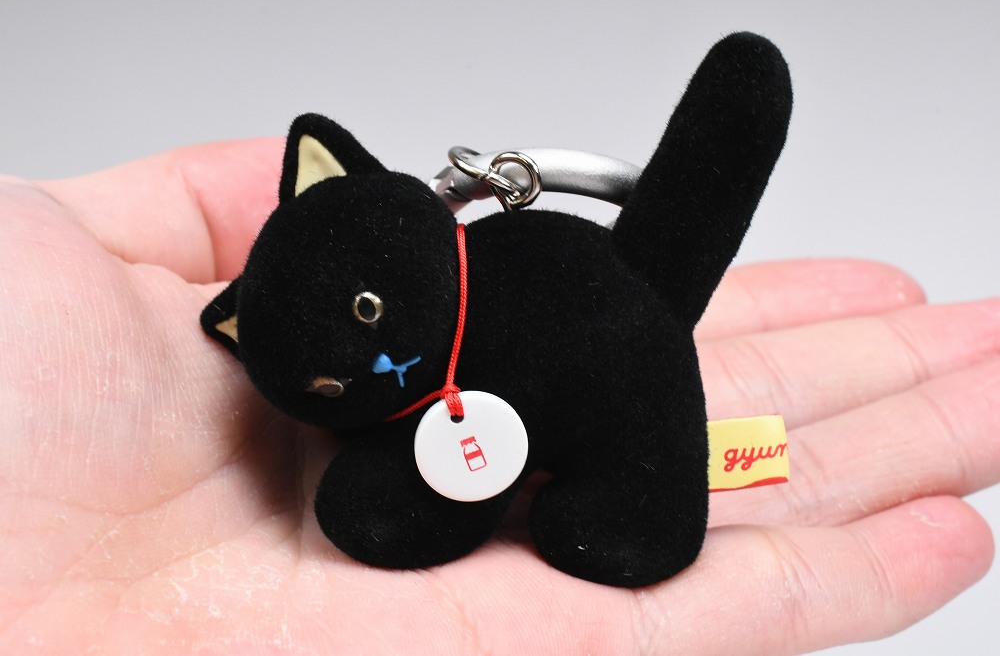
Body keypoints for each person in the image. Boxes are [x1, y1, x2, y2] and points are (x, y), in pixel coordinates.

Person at [1, 138, 996, 654]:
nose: (375, 371)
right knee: (383, 503)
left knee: (628, 448)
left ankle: (644, 497)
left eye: (367, 310)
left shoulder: (503, 278)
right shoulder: (394, 406)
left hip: (627, 355)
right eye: (330, 383)